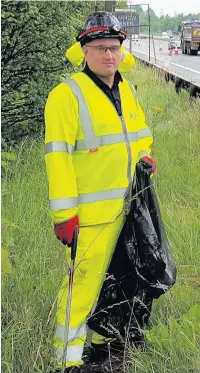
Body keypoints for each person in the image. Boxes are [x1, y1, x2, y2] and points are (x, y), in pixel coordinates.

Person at [44, 11, 156, 373]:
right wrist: (65, 215)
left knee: (116, 284)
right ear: (84, 51)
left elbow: (139, 134)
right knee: (80, 293)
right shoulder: (66, 96)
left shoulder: (124, 89)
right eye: (100, 48)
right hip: (90, 220)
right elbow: (57, 158)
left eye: (114, 48)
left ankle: (97, 346)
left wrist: (145, 156)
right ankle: (66, 362)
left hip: (126, 211)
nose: (109, 55)